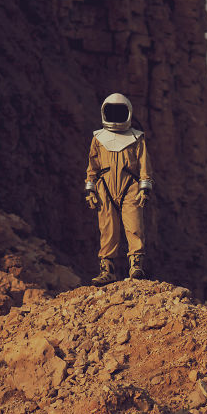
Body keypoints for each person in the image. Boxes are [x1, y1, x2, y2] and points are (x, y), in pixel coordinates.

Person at [84, 93, 154, 285]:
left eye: (118, 111)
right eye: (112, 111)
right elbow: (93, 165)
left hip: (130, 186)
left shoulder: (137, 138)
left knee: (134, 226)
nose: (115, 115)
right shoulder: (98, 138)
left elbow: (143, 164)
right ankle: (108, 270)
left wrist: (144, 187)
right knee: (107, 229)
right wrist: (90, 189)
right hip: (104, 187)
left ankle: (136, 267)